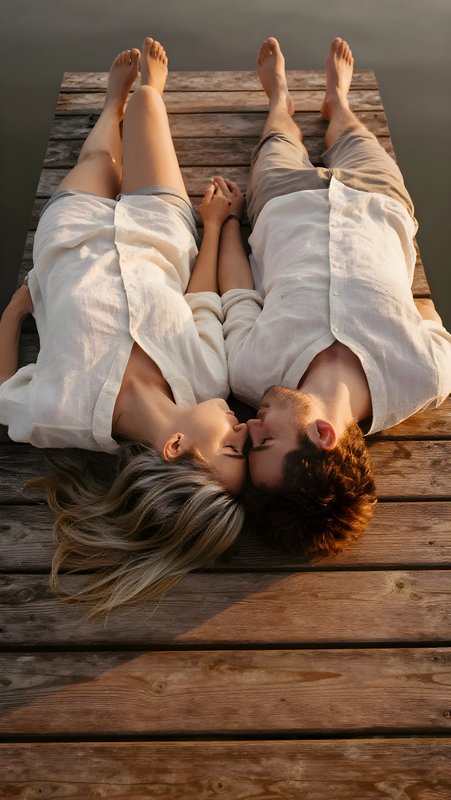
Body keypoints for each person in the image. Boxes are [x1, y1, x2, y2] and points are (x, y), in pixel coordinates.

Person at [0, 37, 248, 615]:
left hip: (72, 237)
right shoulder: (208, 378)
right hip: (160, 230)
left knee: (100, 163)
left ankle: (110, 102)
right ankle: (139, 95)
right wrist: (214, 225)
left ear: (176, 447)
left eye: (232, 449)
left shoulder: (61, 415)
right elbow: (201, 299)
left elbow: (3, 391)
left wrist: (12, 316)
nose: (244, 429)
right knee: (148, 102)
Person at [216, 36, 451, 558]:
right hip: (377, 202)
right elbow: (426, 308)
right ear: (323, 434)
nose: (249, 426)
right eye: (266, 440)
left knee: (278, 134)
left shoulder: (252, 373)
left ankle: (279, 97)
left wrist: (229, 221)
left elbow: (236, 292)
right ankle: (337, 101)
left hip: (282, 203)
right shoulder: (425, 376)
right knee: (353, 132)